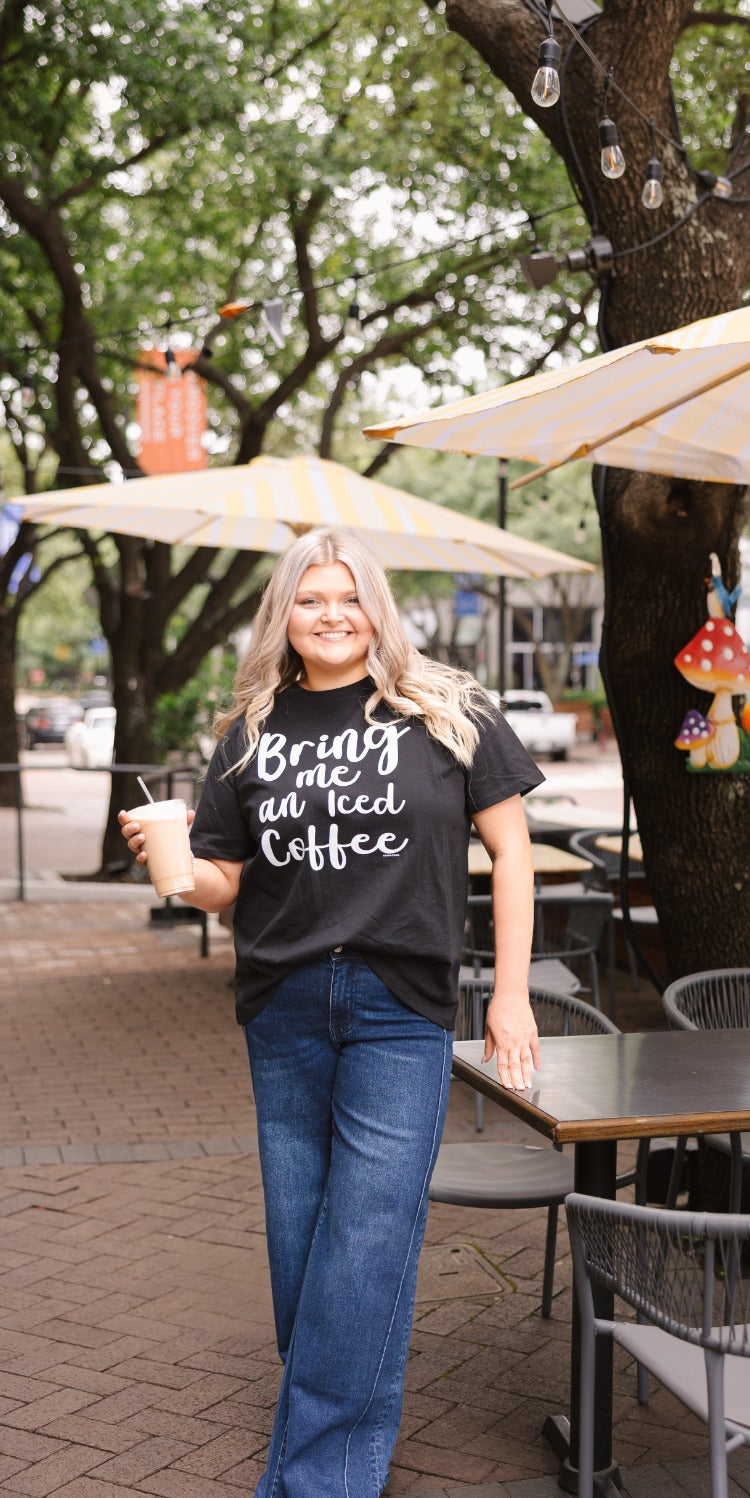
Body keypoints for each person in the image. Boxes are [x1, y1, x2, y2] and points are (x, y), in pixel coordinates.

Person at [119, 527, 543, 1497]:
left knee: (366, 1239)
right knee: (304, 1239)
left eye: (348, 596)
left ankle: (318, 1477)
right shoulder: (251, 734)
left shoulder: (448, 711)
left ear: (376, 607)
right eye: (310, 598)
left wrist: (509, 995)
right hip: (284, 1004)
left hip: (400, 1006)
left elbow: (510, 854)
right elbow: (222, 883)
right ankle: (338, 1402)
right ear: (284, 615)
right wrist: (169, 863)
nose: (331, 613)